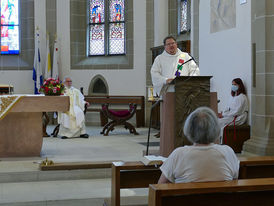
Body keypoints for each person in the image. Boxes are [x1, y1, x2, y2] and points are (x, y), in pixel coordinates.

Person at [158, 107, 239, 184]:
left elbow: (160, 187)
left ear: (189, 129)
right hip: (223, 198)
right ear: (215, 128)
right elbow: (235, 181)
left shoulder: (179, 154)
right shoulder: (228, 152)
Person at [218, 78, 248, 144]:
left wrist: (223, 115)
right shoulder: (233, 96)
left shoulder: (242, 97)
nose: (233, 86)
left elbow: (237, 112)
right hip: (231, 115)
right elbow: (228, 107)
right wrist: (222, 113)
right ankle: (217, 141)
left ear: (240, 85)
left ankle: (221, 143)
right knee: (217, 120)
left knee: (218, 122)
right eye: (232, 84)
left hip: (239, 117)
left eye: (235, 84)